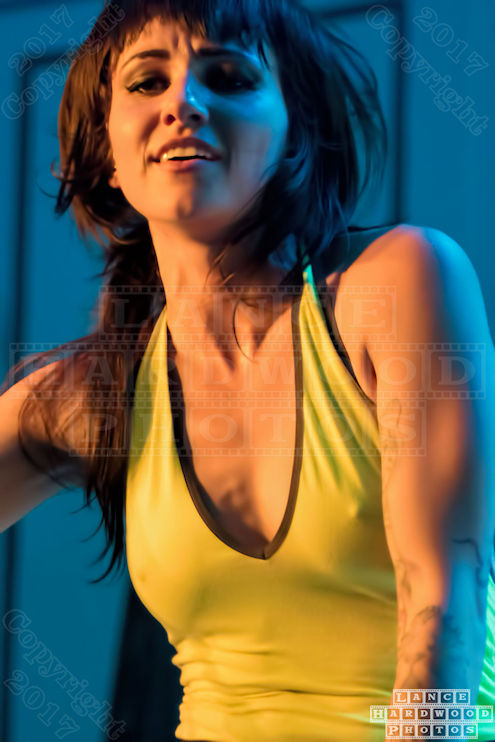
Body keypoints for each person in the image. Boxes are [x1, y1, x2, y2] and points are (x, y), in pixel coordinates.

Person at [1, 0, 495, 740]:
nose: (183, 105)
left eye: (229, 77)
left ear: (296, 131)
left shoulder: (399, 281)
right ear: (105, 148)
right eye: (147, 82)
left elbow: (446, 591)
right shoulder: (93, 392)